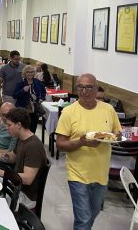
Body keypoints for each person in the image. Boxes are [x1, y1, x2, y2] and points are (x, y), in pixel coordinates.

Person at [56, 73, 122, 230]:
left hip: (101, 173)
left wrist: (115, 136)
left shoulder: (108, 109)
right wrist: (81, 141)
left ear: (96, 88)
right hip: (77, 173)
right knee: (83, 219)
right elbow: (60, 144)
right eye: (80, 87)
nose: (84, 91)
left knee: (93, 213)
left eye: (89, 87)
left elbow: (117, 133)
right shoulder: (69, 112)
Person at [0, 108, 47, 210]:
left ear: (18, 125)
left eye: (9, 125)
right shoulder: (21, 138)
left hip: (25, 195)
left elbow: (27, 179)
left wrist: (0, 172)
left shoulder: (33, 146)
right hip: (16, 185)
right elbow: (11, 157)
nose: (7, 127)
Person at [13, 65, 46, 133]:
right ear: (24, 73)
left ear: (34, 73)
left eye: (31, 72)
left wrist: (42, 98)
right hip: (23, 110)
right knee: (23, 128)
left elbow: (43, 90)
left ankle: (31, 142)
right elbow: (14, 95)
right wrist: (23, 90)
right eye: (28, 72)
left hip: (34, 110)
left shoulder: (37, 82)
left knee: (33, 128)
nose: (30, 74)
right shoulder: (20, 83)